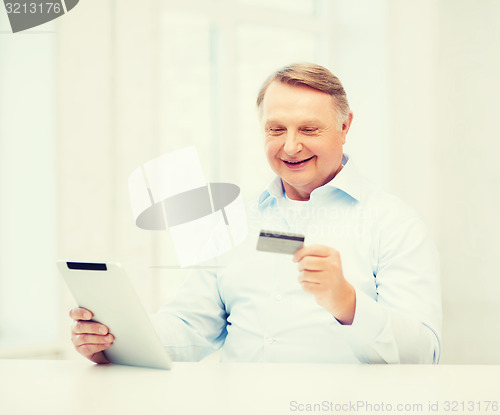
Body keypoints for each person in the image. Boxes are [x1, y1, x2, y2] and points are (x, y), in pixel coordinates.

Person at [70, 63, 442, 364]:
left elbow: (423, 354)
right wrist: (114, 339)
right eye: (276, 129)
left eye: (309, 129)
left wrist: (348, 303)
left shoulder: (394, 224)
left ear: (345, 127)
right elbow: (190, 327)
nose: (291, 146)